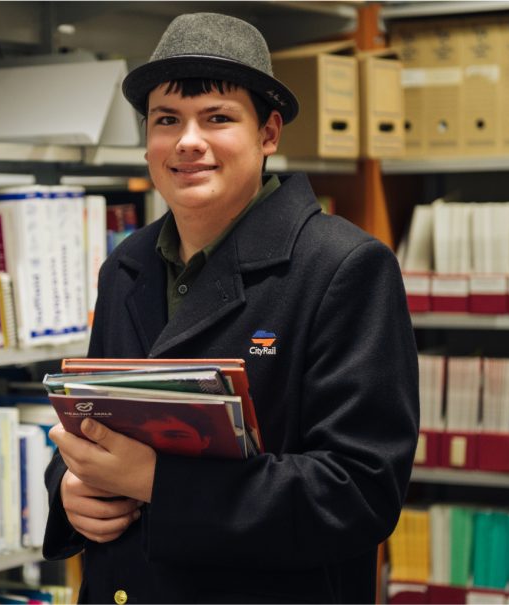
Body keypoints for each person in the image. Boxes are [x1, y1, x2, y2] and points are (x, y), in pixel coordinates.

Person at [44, 12, 420, 604]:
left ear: (268, 134)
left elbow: (357, 492)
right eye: (167, 120)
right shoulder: (127, 265)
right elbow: (96, 419)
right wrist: (69, 490)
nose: (188, 141)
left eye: (218, 118)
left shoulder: (344, 267)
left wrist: (156, 484)